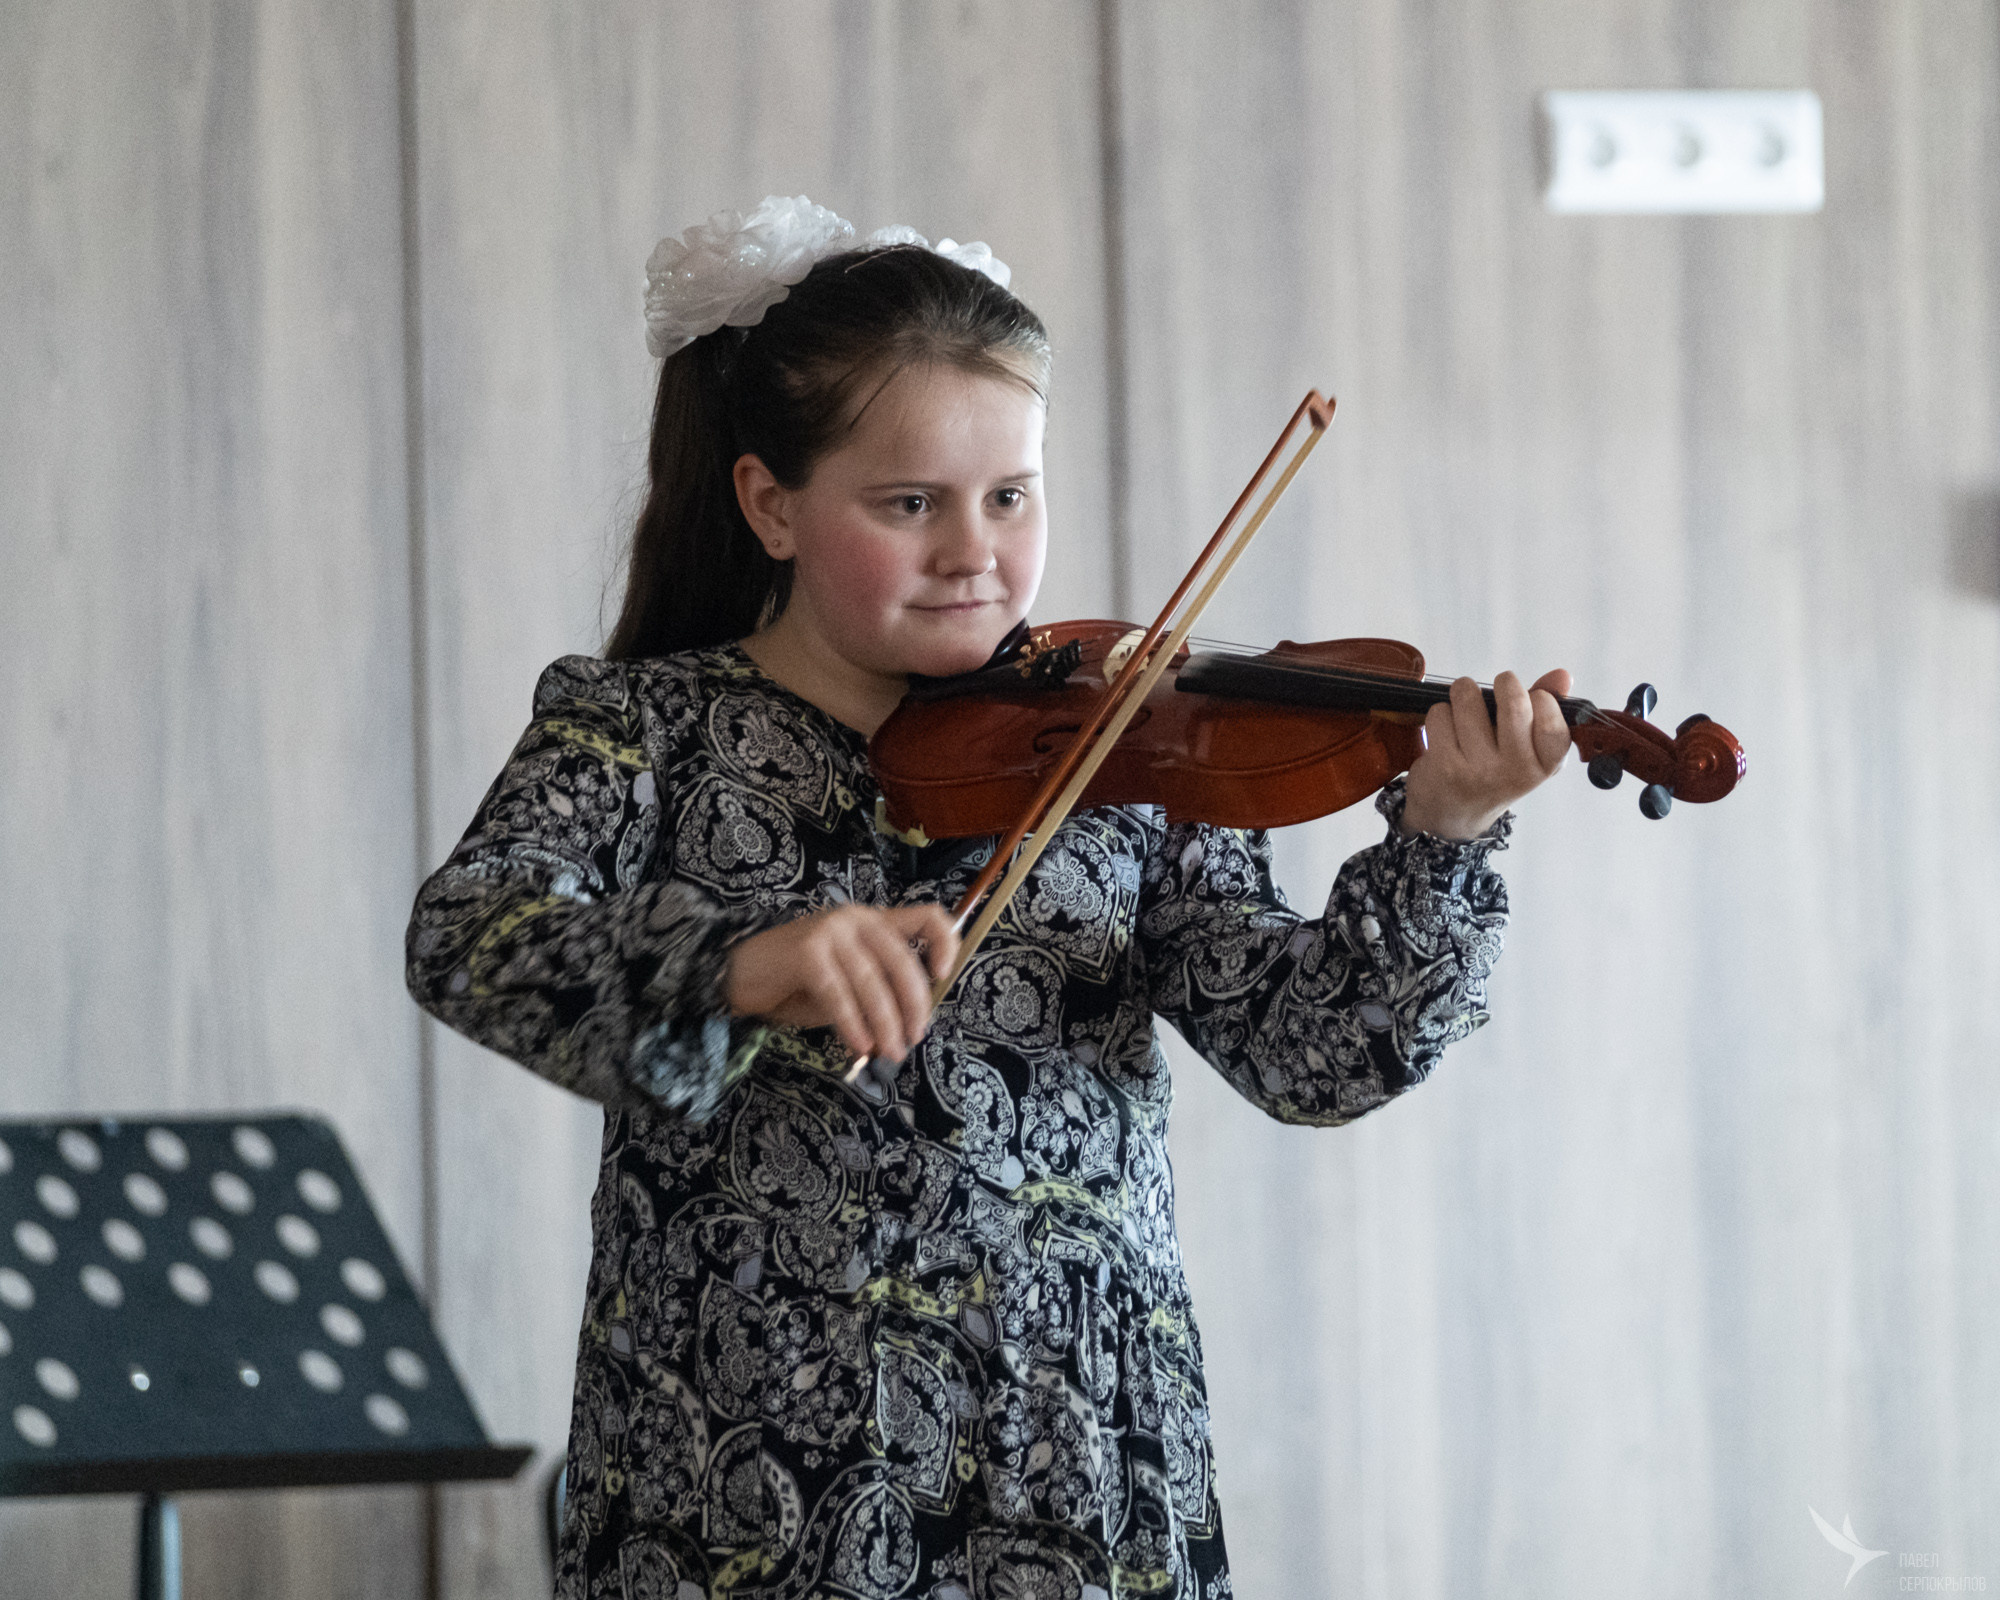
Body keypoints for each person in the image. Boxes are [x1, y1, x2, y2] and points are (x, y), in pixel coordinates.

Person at [406, 195, 1572, 1600]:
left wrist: (1442, 831)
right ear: (771, 503)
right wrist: (747, 963)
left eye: (1010, 497)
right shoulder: (640, 728)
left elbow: (1306, 1054)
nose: (977, 553)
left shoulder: (1122, 740)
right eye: (912, 505)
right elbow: (472, 935)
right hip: (743, 1467)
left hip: (1070, 1454)